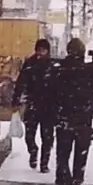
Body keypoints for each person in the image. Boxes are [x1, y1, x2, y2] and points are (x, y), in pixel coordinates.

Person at [47, 38, 93, 185]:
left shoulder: (58, 69)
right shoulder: (89, 71)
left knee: (62, 155)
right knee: (80, 155)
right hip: (83, 120)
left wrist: (54, 112)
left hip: (64, 119)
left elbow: (48, 93)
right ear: (83, 53)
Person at [15, 39, 57, 172]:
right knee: (29, 134)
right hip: (33, 103)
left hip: (49, 106)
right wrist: (16, 98)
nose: (41, 52)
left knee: (48, 137)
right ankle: (33, 151)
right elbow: (21, 81)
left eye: (43, 50)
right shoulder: (30, 63)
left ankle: (44, 163)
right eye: (39, 49)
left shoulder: (53, 65)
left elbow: (59, 86)